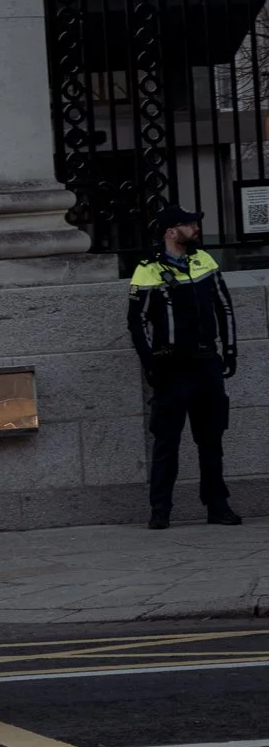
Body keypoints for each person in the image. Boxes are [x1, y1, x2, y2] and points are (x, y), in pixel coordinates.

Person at [127, 204, 243, 530]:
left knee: (211, 440)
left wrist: (230, 352)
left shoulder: (204, 261)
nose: (195, 228)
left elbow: (225, 308)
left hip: (207, 364)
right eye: (188, 224)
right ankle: (160, 510)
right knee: (166, 443)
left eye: (194, 223)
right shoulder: (147, 269)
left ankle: (217, 506)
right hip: (171, 368)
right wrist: (151, 364)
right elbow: (137, 324)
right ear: (170, 231)